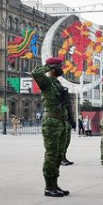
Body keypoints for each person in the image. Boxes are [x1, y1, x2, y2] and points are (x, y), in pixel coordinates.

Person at [31, 57, 72, 197]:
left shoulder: (57, 83)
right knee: (51, 155)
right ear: (53, 68)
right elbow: (35, 73)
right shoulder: (47, 82)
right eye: (59, 66)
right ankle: (48, 187)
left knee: (59, 154)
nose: (62, 69)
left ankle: (55, 184)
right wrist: (49, 66)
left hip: (61, 122)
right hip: (51, 123)